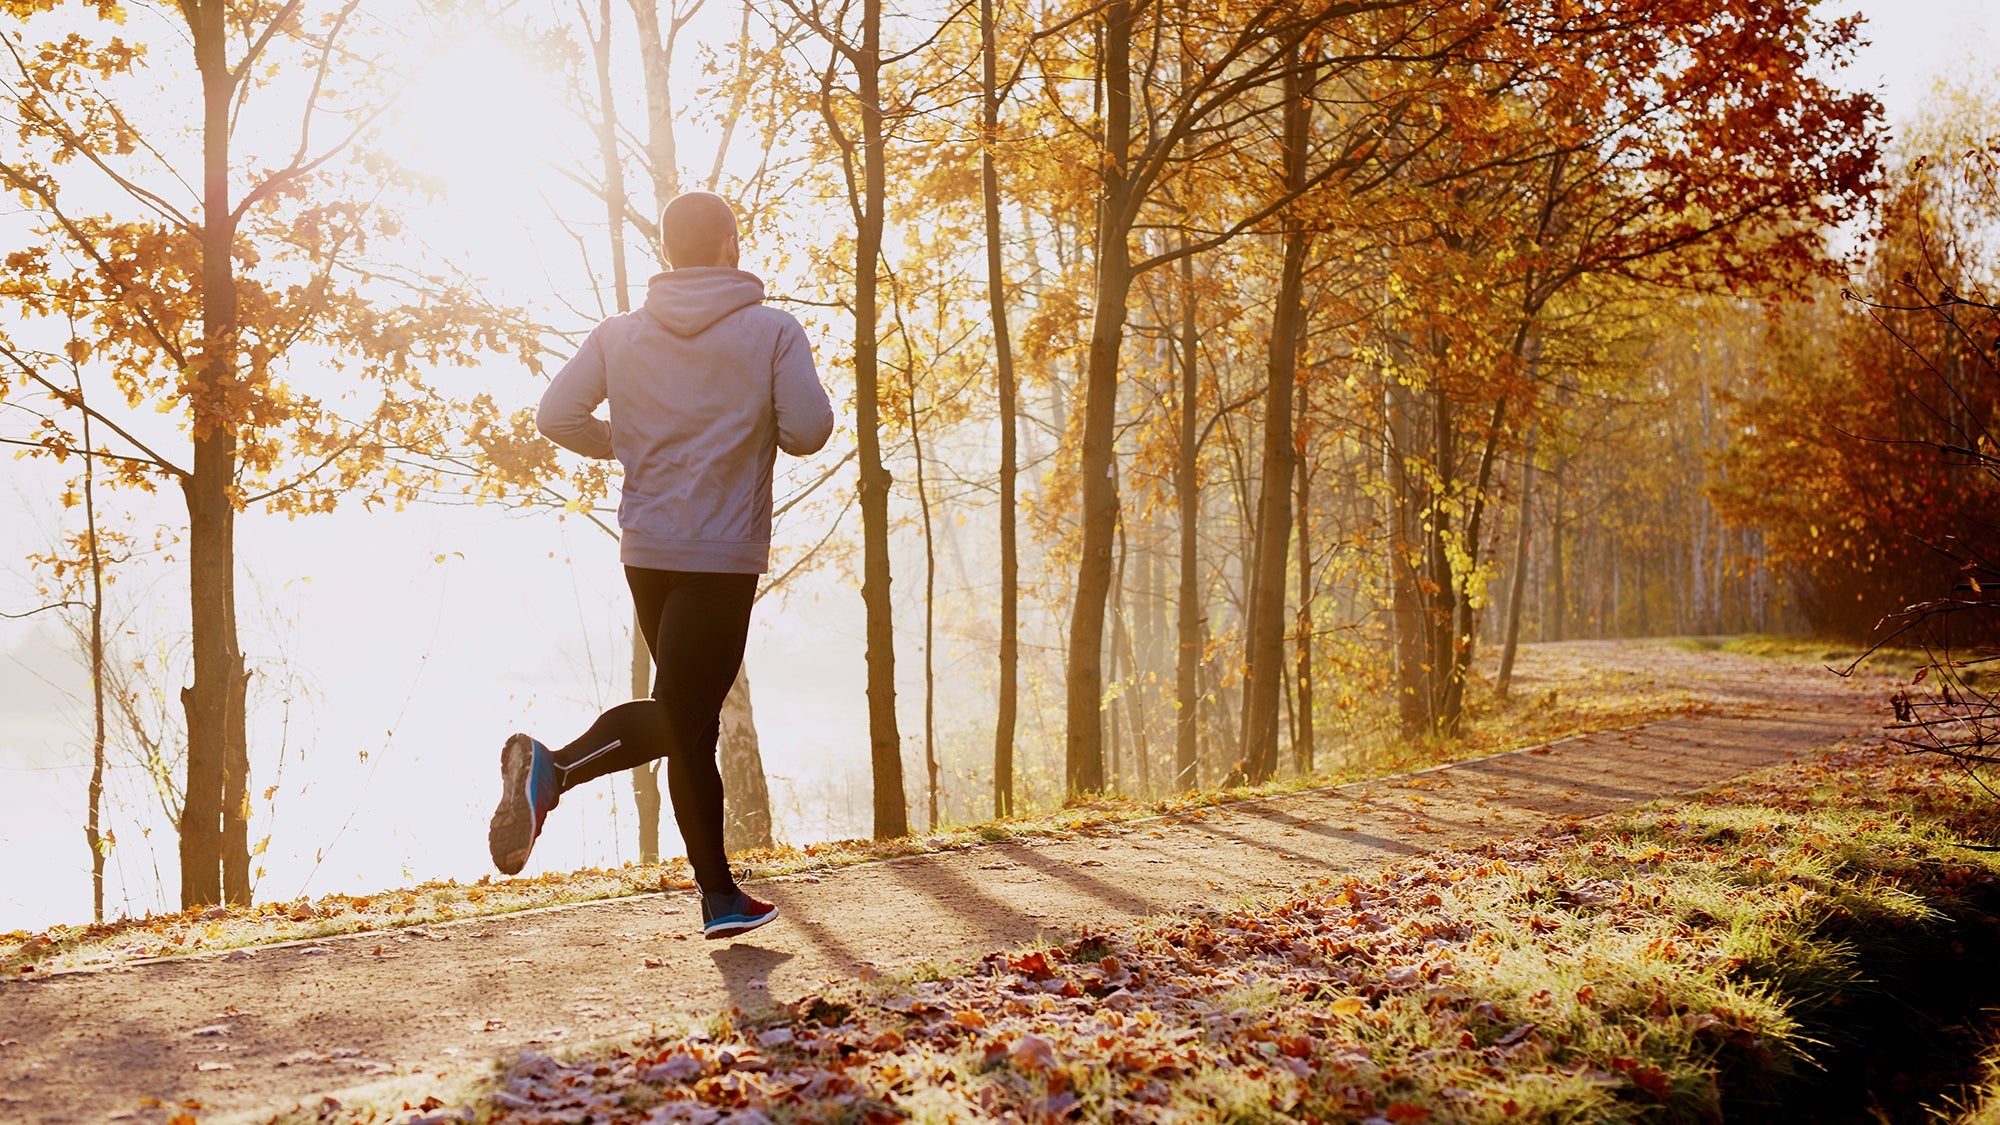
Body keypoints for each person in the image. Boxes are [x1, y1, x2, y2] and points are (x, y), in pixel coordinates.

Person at [487, 191, 835, 940]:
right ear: (730, 246)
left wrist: (636, 441)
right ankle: (557, 768)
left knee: (688, 719)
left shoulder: (620, 334)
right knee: (686, 712)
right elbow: (808, 429)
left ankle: (720, 897)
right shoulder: (772, 331)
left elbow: (556, 416)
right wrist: (742, 425)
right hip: (720, 551)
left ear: (671, 252)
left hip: (647, 548)